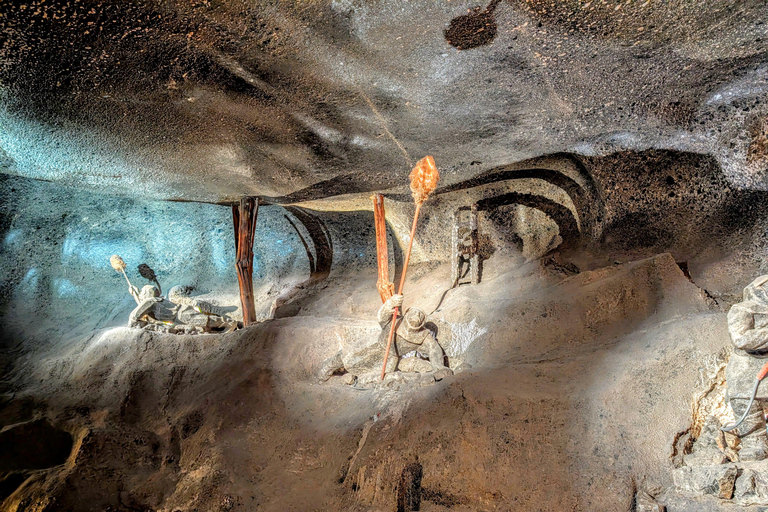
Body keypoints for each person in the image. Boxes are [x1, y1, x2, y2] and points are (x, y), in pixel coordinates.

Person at [317, 294, 452, 384]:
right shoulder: (395, 322)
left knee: (370, 373)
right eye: (414, 313)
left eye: (419, 316)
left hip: (390, 359)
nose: (416, 316)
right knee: (347, 355)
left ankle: (351, 379)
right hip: (374, 344)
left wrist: (438, 366)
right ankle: (326, 370)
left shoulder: (423, 336)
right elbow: (382, 317)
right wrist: (390, 304)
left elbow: (434, 349)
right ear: (406, 314)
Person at [726, 275, 768, 461]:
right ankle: (755, 443)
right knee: (746, 404)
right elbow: (741, 338)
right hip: (747, 366)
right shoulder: (742, 310)